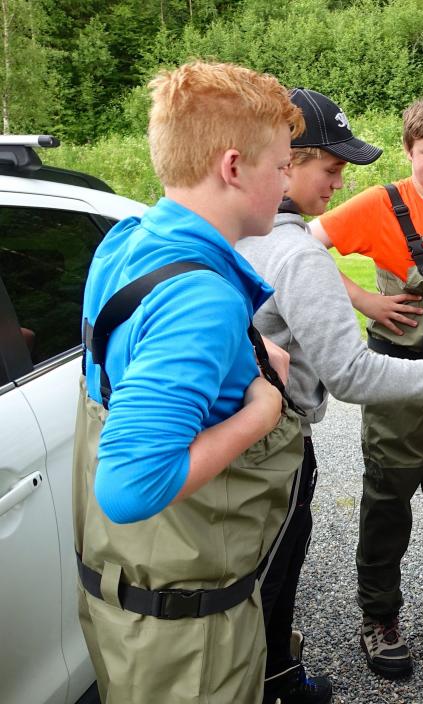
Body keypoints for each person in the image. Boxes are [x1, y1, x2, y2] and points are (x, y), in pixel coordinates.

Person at [236, 88, 423, 703]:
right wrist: (363, 300)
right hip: (396, 378)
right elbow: (305, 245)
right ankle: (379, 614)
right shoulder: (380, 203)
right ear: (410, 151)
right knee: (388, 498)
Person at [73, 61, 305, 704]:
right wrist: (263, 406)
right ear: (233, 167)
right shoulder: (200, 297)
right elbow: (129, 486)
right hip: (189, 641)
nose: (288, 182)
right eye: (282, 166)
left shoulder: (125, 241)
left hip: (125, 605)